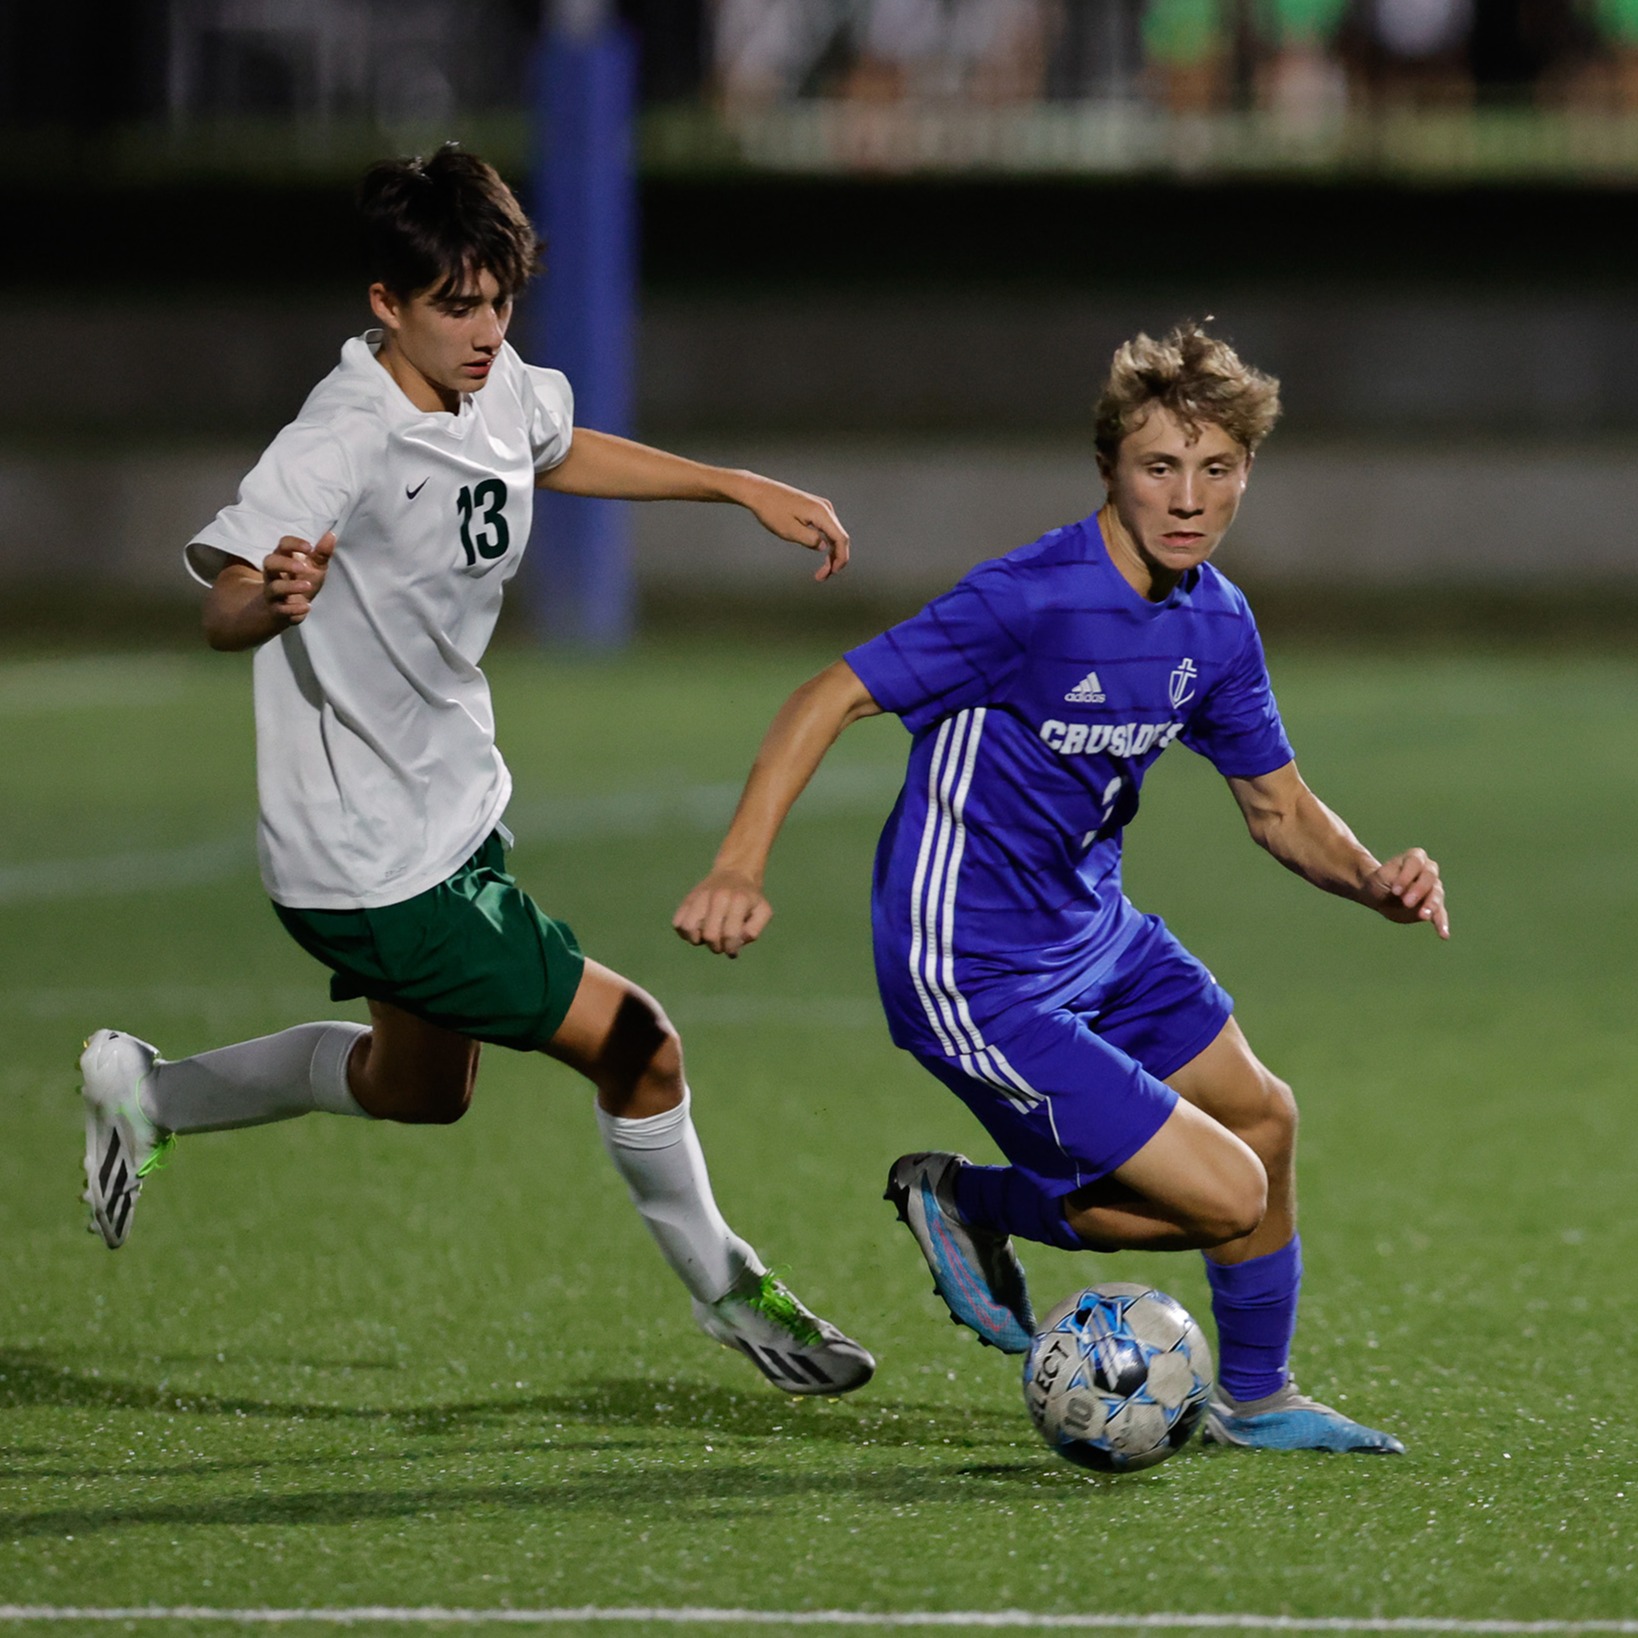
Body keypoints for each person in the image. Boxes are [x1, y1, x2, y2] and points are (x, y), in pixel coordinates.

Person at [77, 144, 874, 1399]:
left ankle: (151, 1097)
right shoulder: (340, 434)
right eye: (456, 304)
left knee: (419, 1089)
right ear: (385, 304)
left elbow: (557, 447)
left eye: (501, 297)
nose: (486, 327)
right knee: (641, 1047)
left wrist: (732, 486)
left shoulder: (494, 384)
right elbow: (225, 595)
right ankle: (730, 1291)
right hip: (370, 862)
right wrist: (270, 603)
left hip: (448, 818)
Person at [674, 320, 1448, 1450]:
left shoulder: (1217, 623)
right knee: (1223, 1195)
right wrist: (739, 866)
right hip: (971, 967)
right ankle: (971, 1200)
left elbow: (1278, 806)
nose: (1188, 497)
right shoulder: (1029, 600)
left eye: (1217, 469)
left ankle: (1263, 1398)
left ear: (1247, 475)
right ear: (1109, 472)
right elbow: (827, 695)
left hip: (1095, 930)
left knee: (1265, 1121)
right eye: (1159, 467)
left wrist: (1374, 881)